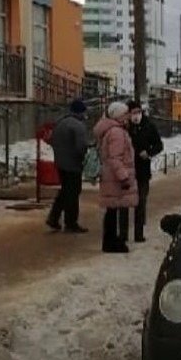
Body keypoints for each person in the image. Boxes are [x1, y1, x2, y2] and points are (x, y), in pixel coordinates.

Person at [94, 101, 138, 253]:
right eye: (125, 113)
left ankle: (111, 240)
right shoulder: (117, 132)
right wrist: (123, 176)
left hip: (111, 176)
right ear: (119, 115)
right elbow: (115, 157)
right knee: (113, 210)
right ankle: (111, 242)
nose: (128, 116)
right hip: (115, 178)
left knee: (112, 210)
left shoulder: (112, 130)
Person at [46, 99, 90, 233]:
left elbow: (51, 140)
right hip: (73, 164)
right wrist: (84, 158)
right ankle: (71, 222)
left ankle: (54, 218)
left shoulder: (60, 122)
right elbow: (80, 147)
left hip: (60, 162)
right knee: (73, 193)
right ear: (81, 112)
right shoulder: (78, 126)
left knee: (65, 191)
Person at [126, 99, 164, 242]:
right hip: (127, 171)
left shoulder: (149, 126)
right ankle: (123, 235)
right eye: (133, 113)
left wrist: (148, 152)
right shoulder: (125, 127)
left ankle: (139, 233)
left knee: (141, 203)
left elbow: (159, 145)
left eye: (138, 112)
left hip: (142, 171)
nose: (136, 115)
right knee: (124, 203)